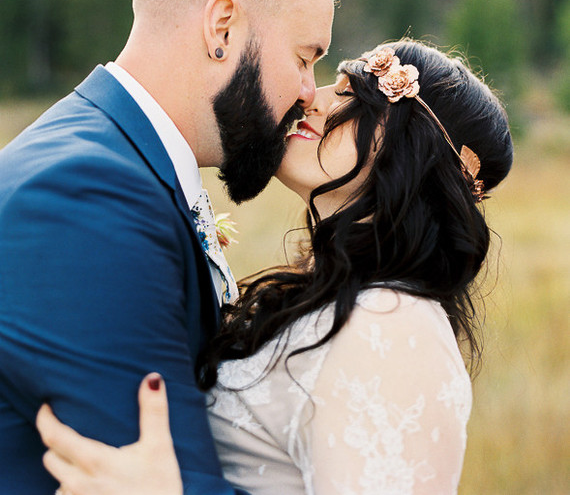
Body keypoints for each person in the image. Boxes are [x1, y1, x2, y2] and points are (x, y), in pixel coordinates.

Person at [0, 0, 368, 494]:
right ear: (222, 27)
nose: (309, 92)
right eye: (304, 59)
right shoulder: (84, 199)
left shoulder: (120, 160)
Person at [37, 39, 513, 494]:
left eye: (350, 94)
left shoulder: (393, 327)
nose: (311, 99)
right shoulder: (352, 301)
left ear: (410, 149)